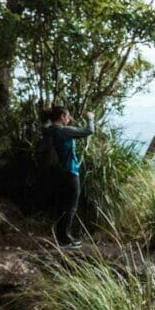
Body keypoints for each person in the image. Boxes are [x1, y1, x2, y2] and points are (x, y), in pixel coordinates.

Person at [42, 105, 93, 248]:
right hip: (70, 172)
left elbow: (46, 125)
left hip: (56, 173)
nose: (69, 118)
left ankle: (63, 237)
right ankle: (65, 240)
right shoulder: (65, 131)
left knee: (61, 205)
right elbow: (89, 131)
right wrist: (90, 118)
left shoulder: (49, 130)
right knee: (70, 206)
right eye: (68, 115)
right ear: (62, 116)